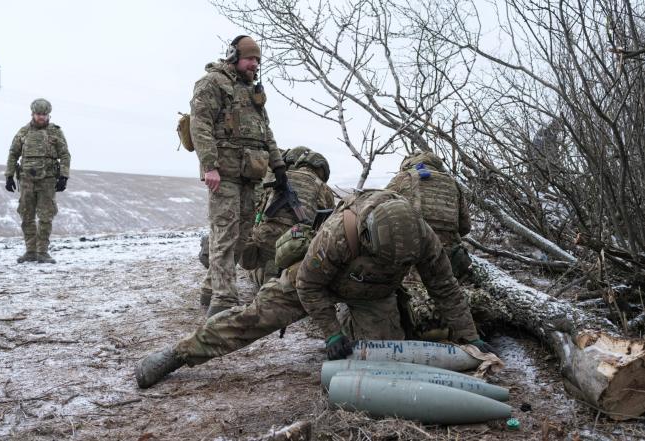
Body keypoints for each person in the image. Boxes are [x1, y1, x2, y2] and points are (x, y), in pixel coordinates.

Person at [135, 189, 488, 389]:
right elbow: (309, 284)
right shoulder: (338, 234)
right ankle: (180, 353)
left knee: (385, 352)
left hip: (373, 295)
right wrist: (330, 333)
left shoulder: (422, 238)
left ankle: (353, 328)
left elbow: (445, 287)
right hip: (316, 282)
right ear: (365, 236)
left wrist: (470, 337)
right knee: (252, 319)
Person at [191, 35, 287, 318]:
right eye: (250, 59)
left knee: (243, 236)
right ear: (234, 56)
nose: (254, 65)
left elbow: (265, 131)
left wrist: (278, 166)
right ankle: (223, 300)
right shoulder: (211, 83)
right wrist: (209, 166)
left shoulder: (253, 91)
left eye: (258, 60)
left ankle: (210, 288)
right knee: (225, 234)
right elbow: (200, 125)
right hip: (225, 173)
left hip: (251, 175)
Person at [240, 146, 335, 287]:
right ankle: (280, 277)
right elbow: (327, 225)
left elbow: (259, 212)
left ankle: (267, 275)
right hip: (297, 245)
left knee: (258, 268)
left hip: (266, 241)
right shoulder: (324, 189)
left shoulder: (278, 177)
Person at [385, 150, 472, 279]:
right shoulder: (452, 183)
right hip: (445, 258)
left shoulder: (401, 179)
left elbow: (380, 218)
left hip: (409, 255)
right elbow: (465, 226)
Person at [5, 98, 70, 264]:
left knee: (46, 216)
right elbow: (13, 154)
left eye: (44, 114)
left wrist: (64, 176)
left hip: (47, 181)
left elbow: (64, 155)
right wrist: (9, 176)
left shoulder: (55, 132)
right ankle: (30, 251)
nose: (41, 117)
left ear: (49, 115)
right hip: (26, 181)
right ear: (33, 114)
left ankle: (42, 252)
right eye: (38, 114)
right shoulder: (23, 132)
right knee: (26, 216)